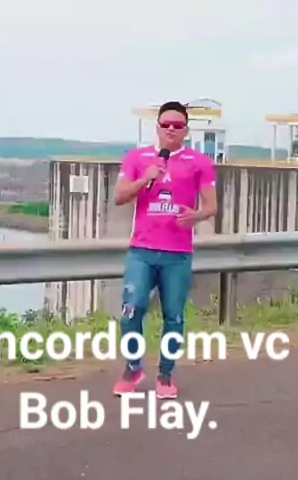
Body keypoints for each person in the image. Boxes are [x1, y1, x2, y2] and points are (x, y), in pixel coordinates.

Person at [111, 101, 218, 399]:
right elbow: (119, 196)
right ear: (157, 127)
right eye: (166, 125)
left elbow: (211, 206)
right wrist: (146, 178)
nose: (171, 130)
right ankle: (133, 369)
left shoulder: (199, 162)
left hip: (177, 254)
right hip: (142, 250)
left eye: (178, 126)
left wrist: (196, 216)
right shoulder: (137, 158)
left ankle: (165, 376)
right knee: (131, 310)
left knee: (174, 316)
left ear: (186, 130)